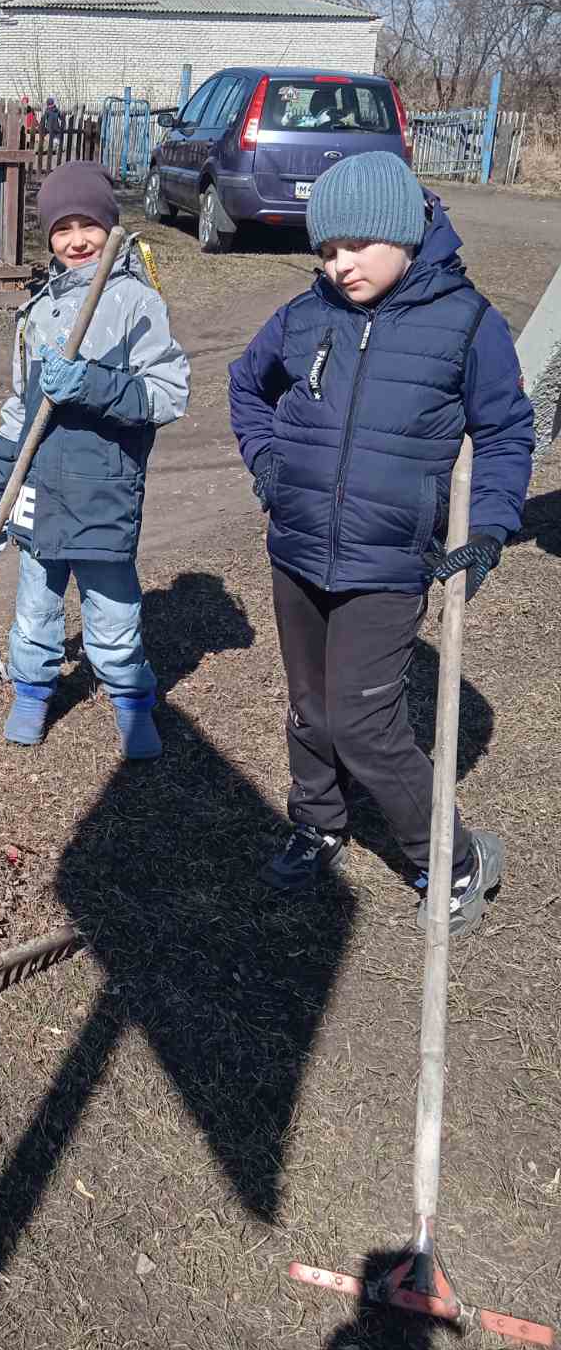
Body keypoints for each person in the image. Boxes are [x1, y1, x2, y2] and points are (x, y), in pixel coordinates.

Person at [228, 151, 533, 936]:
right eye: (326, 250)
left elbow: (504, 432)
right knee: (308, 708)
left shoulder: (467, 323)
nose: (339, 264)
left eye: (357, 245)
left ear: (403, 231)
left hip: (388, 562)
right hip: (297, 548)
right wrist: (270, 466)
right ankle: (319, 823)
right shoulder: (306, 315)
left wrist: (488, 530)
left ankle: (456, 861)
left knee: (365, 725)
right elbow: (246, 384)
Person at [0, 161, 190, 758]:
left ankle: (131, 700)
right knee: (35, 606)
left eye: (87, 224)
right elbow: (21, 409)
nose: (75, 240)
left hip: (103, 491)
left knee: (113, 614)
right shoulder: (37, 310)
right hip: (41, 490)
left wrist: (92, 385)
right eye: (62, 228)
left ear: (110, 226)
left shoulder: (134, 301)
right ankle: (33, 692)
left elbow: (169, 395)